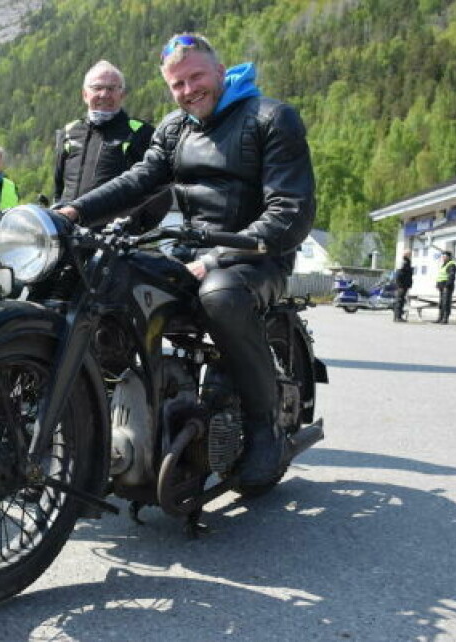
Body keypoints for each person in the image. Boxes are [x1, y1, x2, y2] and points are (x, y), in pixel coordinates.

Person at [57, 34, 316, 488]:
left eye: (196, 76)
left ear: (219, 71)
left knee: (220, 295)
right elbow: (138, 180)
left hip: (257, 257)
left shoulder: (270, 118)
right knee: (104, 277)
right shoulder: (175, 128)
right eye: (177, 84)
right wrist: (72, 212)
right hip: (188, 249)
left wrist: (220, 255)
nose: (188, 89)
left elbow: (289, 213)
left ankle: (263, 427)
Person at [53, 60, 171, 231]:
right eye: (97, 88)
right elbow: (58, 187)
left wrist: (138, 228)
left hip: (114, 239)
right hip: (69, 231)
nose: (104, 94)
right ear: (85, 94)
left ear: (122, 95)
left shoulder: (141, 132)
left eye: (112, 89)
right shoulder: (69, 132)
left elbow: (157, 187)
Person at [435, 250, 456, 324]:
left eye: (445, 256)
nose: (443, 257)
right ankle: (440, 318)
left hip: (447, 287)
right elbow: (441, 275)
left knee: (446, 303)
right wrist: (438, 284)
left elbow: (451, 276)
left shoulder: (451, 264)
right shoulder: (444, 264)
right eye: (443, 256)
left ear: (448, 257)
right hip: (442, 286)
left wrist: (447, 286)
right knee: (441, 303)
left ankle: (445, 318)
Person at [393, 251, 413, 322]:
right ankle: (398, 317)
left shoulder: (407, 262)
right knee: (399, 301)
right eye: (409, 254)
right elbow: (398, 274)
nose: (410, 255)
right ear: (406, 254)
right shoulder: (403, 262)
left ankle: (397, 317)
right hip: (401, 285)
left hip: (404, 285)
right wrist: (400, 285)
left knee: (400, 300)